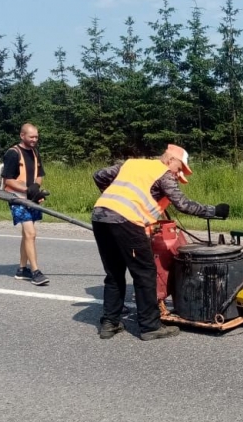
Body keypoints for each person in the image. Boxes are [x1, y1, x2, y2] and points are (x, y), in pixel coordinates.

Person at [91, 144, 230, 341]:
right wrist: (214, 211)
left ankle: (109, 322)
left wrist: (114, 202)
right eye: (180, 168)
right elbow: (183, 204)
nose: (178, 174)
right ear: (171, 159)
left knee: (114, 272)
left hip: (100, 216)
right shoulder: (163, 173)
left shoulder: (131, 164)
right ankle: (150, 326)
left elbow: (99, 175)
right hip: (126, 221)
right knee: (145, 273)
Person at [3, 123, 50, 286]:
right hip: (17, 199)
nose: (34, 140)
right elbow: (8, 180)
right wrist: (27, 189)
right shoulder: (12, 153)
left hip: (31, 198)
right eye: (31, 137)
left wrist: (35, 188)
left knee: (26, 235)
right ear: (22, 136)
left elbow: (39, 175)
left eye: (36, 137)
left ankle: (22, 269)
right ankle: (36, 272)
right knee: (31, 234)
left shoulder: (35, 152)